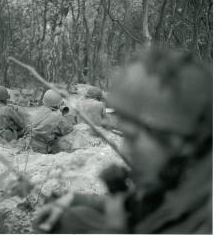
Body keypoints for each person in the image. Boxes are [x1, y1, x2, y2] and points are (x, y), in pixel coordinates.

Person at [35, 48, 212, 234]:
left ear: (178, 139)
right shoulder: (180, 177)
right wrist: (75, 199)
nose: (126, 150)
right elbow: (140, 204)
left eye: (133, 137)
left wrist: (114, 229)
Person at [26, 89, 74, 154]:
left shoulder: (39, 110)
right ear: (59, 104)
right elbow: (68, 129)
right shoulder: (57, 117)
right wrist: (62, 115)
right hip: (40, 149)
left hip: (28, 142)